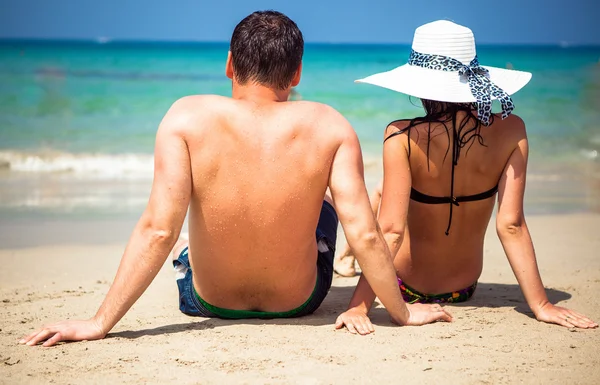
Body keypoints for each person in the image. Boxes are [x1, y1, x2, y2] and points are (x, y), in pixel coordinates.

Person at [20, 11, 452, 347]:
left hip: (206, 303)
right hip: (299, 301)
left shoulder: (185, 117)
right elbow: (366, 233)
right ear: (297, 73)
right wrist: (402, 313)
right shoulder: (330, 125)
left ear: (230, 64)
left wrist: (99, 323)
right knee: (327, 205)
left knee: (188, 233)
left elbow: (158, 230)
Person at [335, 20, 598, 334]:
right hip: (464, 287)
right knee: (389, 188)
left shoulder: (401, 135)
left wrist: (359, 306)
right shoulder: (512, 129)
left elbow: (391, 230)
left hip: (405, 284)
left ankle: (348, 257)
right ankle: (349, 257)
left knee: (384, 192)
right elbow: (510, 224)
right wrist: (541, 304)